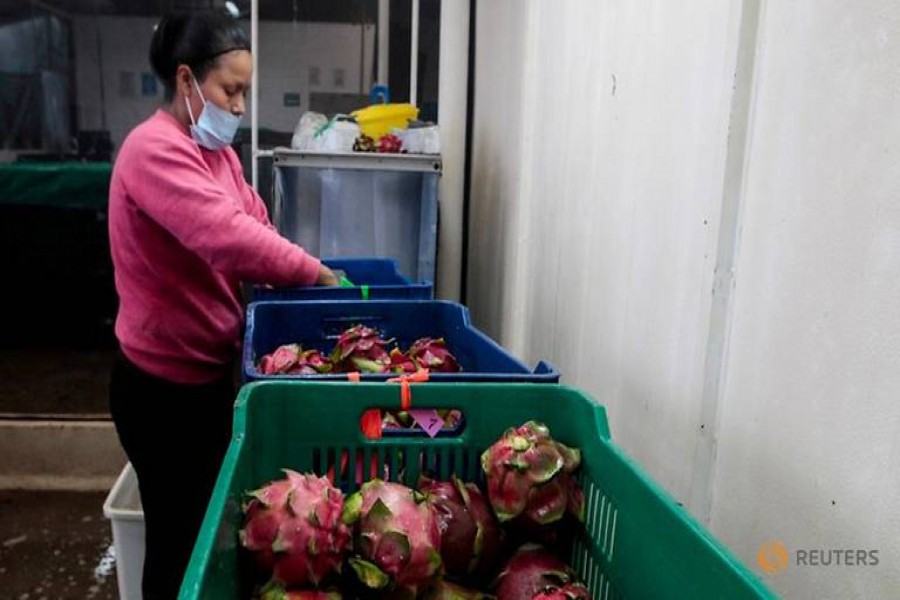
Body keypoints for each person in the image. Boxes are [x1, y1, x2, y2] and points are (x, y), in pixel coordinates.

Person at [107, 11, 337, 599]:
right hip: (160, 392)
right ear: (187, 82)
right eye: (229, 90)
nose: (239, 107)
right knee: (179, 540)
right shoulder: (151, 152)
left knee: (209, 533)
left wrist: (299, 271)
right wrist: (315, 273)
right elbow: (227, 238)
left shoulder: (219, 157)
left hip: (208, 378)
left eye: (244, 91)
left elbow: (254, 223)